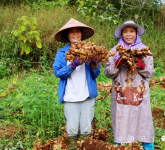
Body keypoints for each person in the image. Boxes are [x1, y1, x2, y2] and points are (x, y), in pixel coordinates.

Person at [104, 20, 155, 150]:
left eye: (131, 31)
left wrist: (141, 65)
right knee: (122, 118)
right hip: (121, 91)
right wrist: (117, 64)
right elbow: (108, 73)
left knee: (142, 118)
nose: (128, 34)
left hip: (140, 91)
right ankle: (121, 146)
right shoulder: (114, 51)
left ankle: (147, 146)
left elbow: (150, 72)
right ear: (121, 34)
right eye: (125, 31)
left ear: (136, 33)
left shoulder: (144, 51)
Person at [53, 18, 100, 150]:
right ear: (67, 35)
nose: (75, 34)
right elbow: (58, 72)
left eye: (78, 31)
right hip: (70, 96)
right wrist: (72, 65)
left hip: (87, 95)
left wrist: (95, 65)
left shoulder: (90, 50)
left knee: (86, 129)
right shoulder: (62, 53)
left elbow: (96, 74)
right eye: (72, 31)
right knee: (72, 130)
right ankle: (73, 147)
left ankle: (85, 147)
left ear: (81, 34)